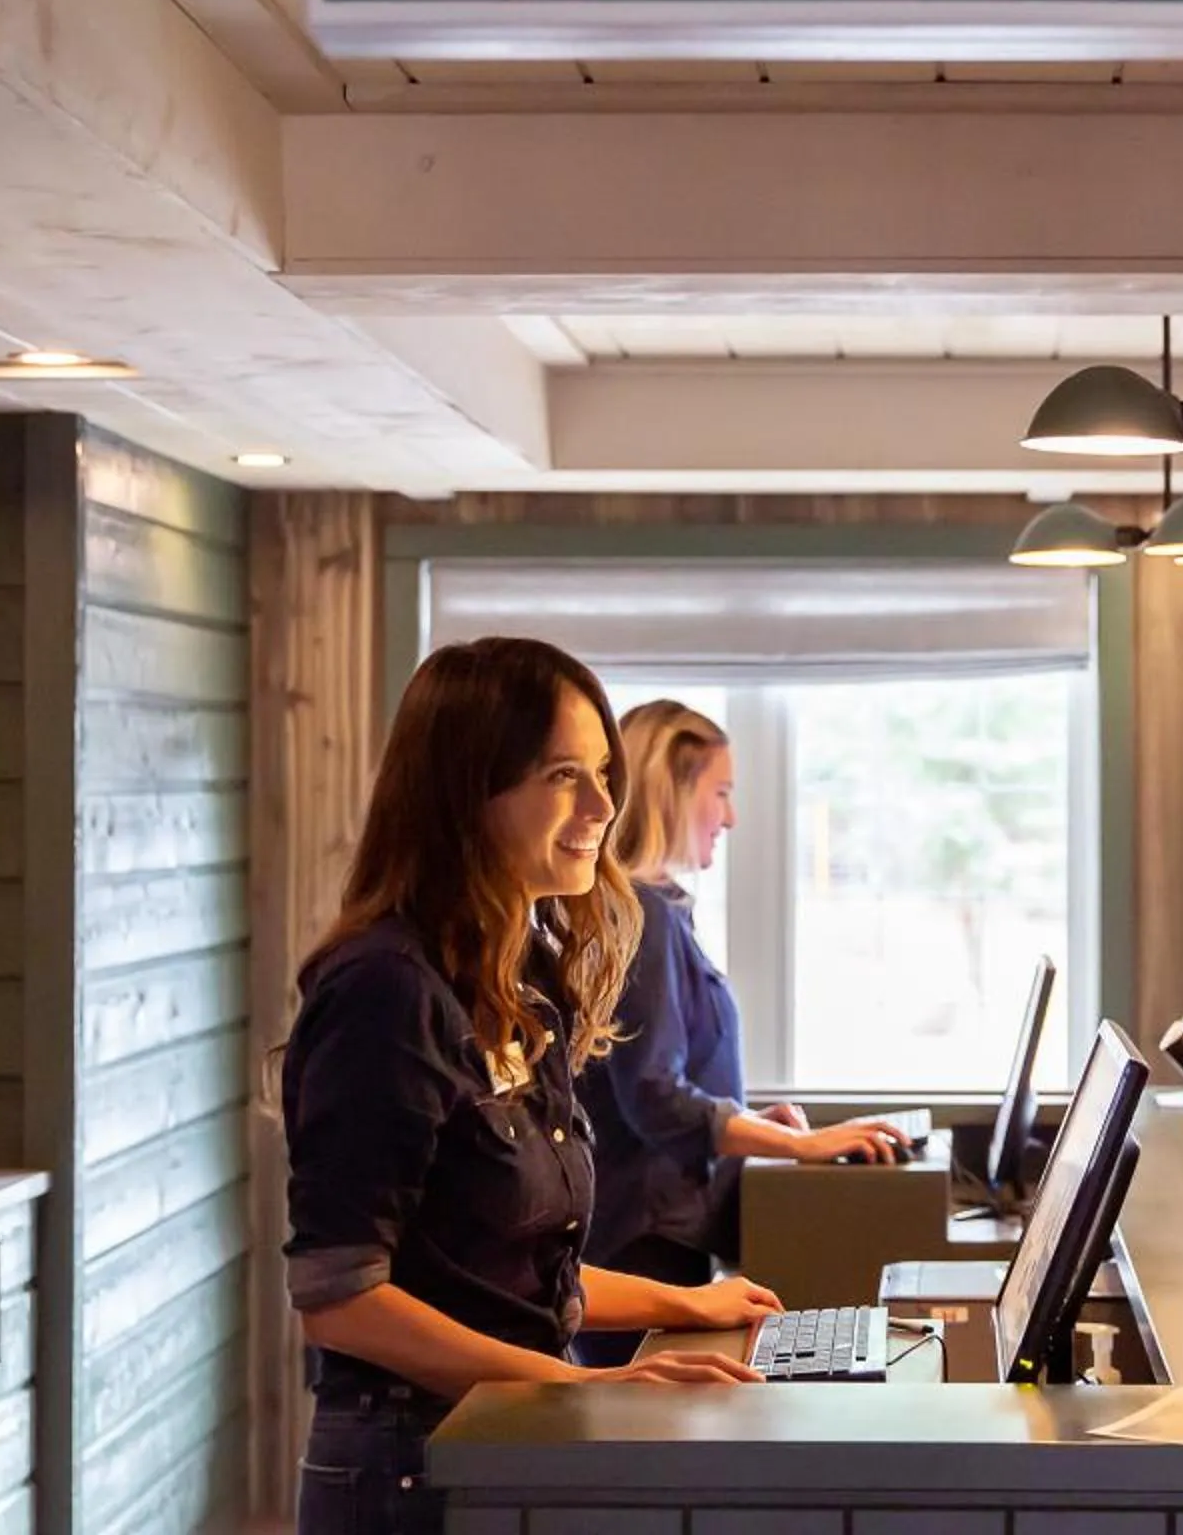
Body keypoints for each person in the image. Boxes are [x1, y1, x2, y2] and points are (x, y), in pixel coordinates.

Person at [281, 640, 785, 1535]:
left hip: (504, 1438)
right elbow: (342, 1300)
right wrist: (587, 1385)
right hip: (410, 1463)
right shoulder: (384, 988)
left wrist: (685, 1304)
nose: (603, 807)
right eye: (563, 776)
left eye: (603, 774)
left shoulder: (519, 984)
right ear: (465, 793)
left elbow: (504, 1273)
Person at [577, 701, 910, 1361]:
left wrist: (754, 1123)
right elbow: (654, 1095)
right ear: (672, 791)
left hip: (659, 1236)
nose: (729, 817)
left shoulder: (655, 911)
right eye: (721, 793)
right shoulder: (643, 916)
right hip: (643, 1242)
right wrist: (801, 1145)